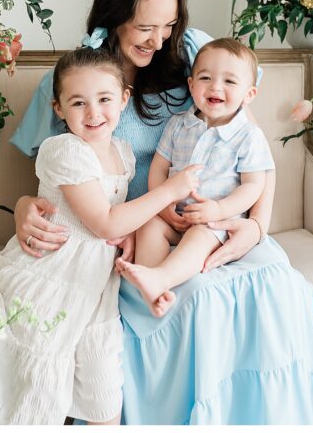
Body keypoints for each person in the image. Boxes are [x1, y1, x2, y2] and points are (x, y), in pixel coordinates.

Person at [9, 0, 313, 424]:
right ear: (114, 14)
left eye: (168, 24)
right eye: (146, 27)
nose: (160, 38)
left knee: (277, 287)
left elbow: (254, 149)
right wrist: (24, 206)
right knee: (197, 301)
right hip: (132, 232)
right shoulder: (77, 80)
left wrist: (257, 225)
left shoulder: (195, 53)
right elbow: (54, 177)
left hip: (216, 218)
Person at [0, 48, 203, 424]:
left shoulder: (123, 152)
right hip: (56, 273)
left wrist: (127, 237)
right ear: (59, 109)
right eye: (78, 103)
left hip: (97, 285)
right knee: (39, 391)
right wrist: (170, 190)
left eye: (105, 99)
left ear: (124, 99)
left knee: (105, 395)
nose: (94, 113)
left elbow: (118, 217)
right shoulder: (63, 150)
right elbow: (105, 222)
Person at [117, 38, 275, 318]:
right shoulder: (178, 124)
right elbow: (159, 167)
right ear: (191, 86)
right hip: (176, 216)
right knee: (149, 226)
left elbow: (254, 185)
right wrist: (163, 207)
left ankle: (163, 278)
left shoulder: (248, 136)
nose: (215, 87)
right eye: (205, 78)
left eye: (229, 81)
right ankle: (151, 284)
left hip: (216, 223)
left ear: (249, 94)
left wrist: (219, 209)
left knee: (200, 237)